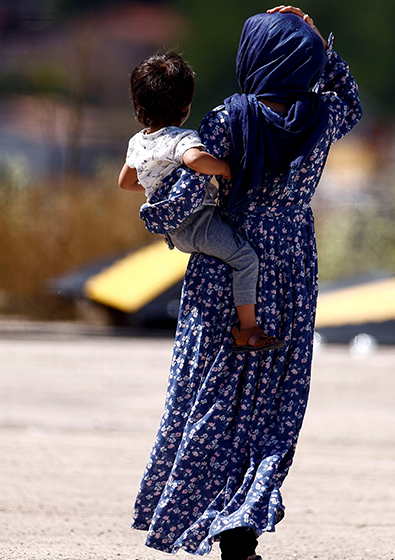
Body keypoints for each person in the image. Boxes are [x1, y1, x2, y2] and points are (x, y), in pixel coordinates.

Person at [130, 5, 361, 560]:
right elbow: (351, 100)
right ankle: (243, 546)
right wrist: (319, 44)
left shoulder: (230, 119)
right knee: (270, 406)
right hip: (294, 264)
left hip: (225, 269)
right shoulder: (323, 114)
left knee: (214, 400)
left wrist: (157, 215)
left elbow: (185, 195)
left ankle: (234, 550)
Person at [119, 52, 283, 352]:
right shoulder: (181, 139)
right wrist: (223, 168)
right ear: (185, 105)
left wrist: (159, 187)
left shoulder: (137, 142)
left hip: (172, 229)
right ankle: (248, 329)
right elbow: (195, 159)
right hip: (197, 223)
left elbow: (126, 182)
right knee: (245, 259)